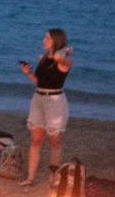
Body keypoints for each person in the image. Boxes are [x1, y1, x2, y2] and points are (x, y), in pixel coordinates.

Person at [17, 28, 74, 186]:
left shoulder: (62, 60)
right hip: (38, 98)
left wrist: (62, 53)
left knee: (55, 141)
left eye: (47, 38)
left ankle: (54, 178)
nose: (44, 40)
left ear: (55, 41)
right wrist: (27, 73)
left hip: (54, 102)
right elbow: (40, 81)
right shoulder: (43, 58)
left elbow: (66, 62)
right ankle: (30, 178)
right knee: (36, 140)